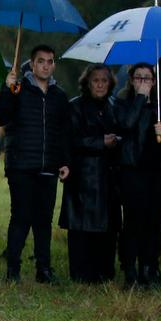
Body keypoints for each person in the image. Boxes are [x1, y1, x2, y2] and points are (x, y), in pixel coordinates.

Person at [0, 44, 71, 283]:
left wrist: (65, 161)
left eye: (49, 61)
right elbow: (0, 117)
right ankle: (12, 270)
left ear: (54, 65)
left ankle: (43, 269)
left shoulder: (59, 96)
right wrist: (7, 90)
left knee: (44, 220)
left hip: (48, 166)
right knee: (21, 217)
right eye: (41, 61)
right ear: (32, 64)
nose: (45, 66)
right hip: (21, 165)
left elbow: (64, 132)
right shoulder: (18, 89)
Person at [113, 62, 161, 287]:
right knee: (133, 221)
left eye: (147, 78)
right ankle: (130, 267)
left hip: (155, 172)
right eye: (138, 77)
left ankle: (150, 266)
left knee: (153, 221)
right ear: (131, 81)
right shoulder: (123, 103)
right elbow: (126, 124)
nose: (143, 82)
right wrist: (139, 98)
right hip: (131, 170)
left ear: (155, 81)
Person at [60, 64, 120, 283]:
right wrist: (100, 142)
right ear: (87, 83)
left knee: (108, 230)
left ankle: (105, 273)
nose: (101, 84)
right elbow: (69, 141)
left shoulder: (114, 106)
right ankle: (81, 275)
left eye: (105, 80)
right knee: (81, 230)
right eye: (96, 80)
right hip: (83, 178)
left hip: (108, 178)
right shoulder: (75, 107)